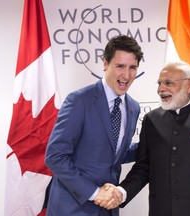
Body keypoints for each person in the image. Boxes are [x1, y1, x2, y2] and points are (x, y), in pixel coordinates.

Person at [99, 61, 190, 216]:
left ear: (189, 85)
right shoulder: (151, 120)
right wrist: (122, 192)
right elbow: (143, 168)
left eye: (168, 83)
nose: (161, 89)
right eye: (160, 83)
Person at [44, 35, 143, 216]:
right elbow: (55, 156)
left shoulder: (133, 107)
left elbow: (115, 153)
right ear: (105, 63)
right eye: (120, 66)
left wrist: (155, 145)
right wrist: (95, 193)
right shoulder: (79, 101)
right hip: (72, 209)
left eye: (133, 68)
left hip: (108, 210)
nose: (126, 75)